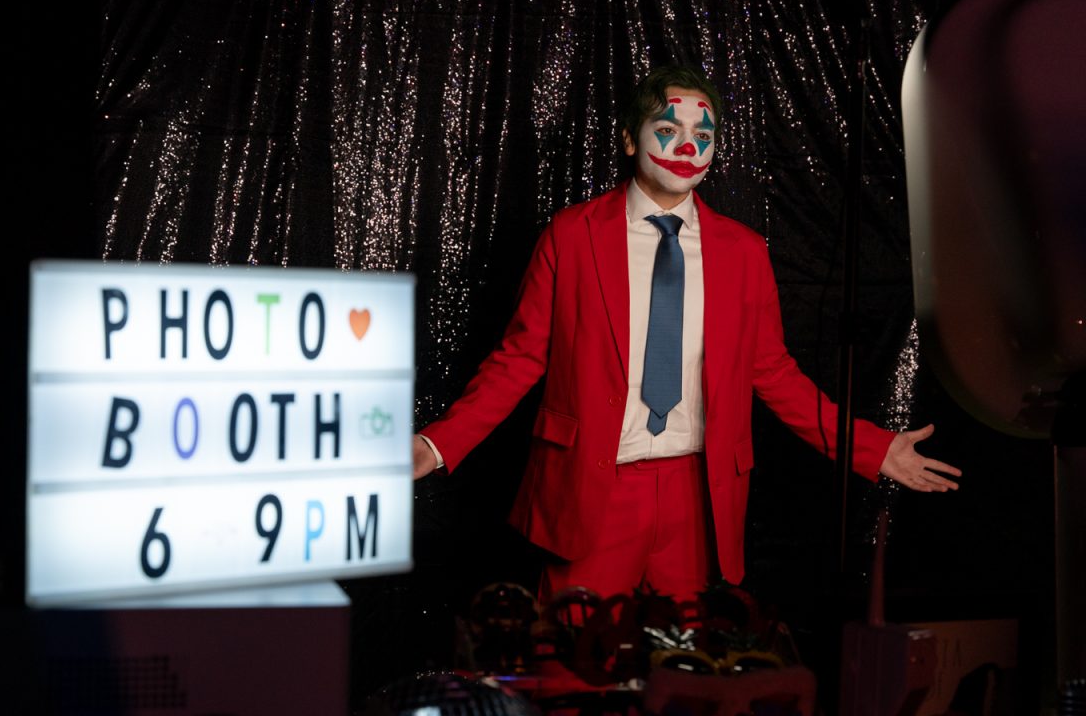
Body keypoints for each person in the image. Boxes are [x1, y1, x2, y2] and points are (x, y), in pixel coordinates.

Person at [411, 64, 960, 602]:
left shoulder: (743, 252)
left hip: (698, 495)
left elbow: (773, 373)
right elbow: (520, 358)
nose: (685, 146)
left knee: (689, 680)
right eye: (668, 129)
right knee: (574, 675)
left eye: (703, 134)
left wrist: (871, 448)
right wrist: (438, 445)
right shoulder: (572, 235)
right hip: (594, 491)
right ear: (630, 139)